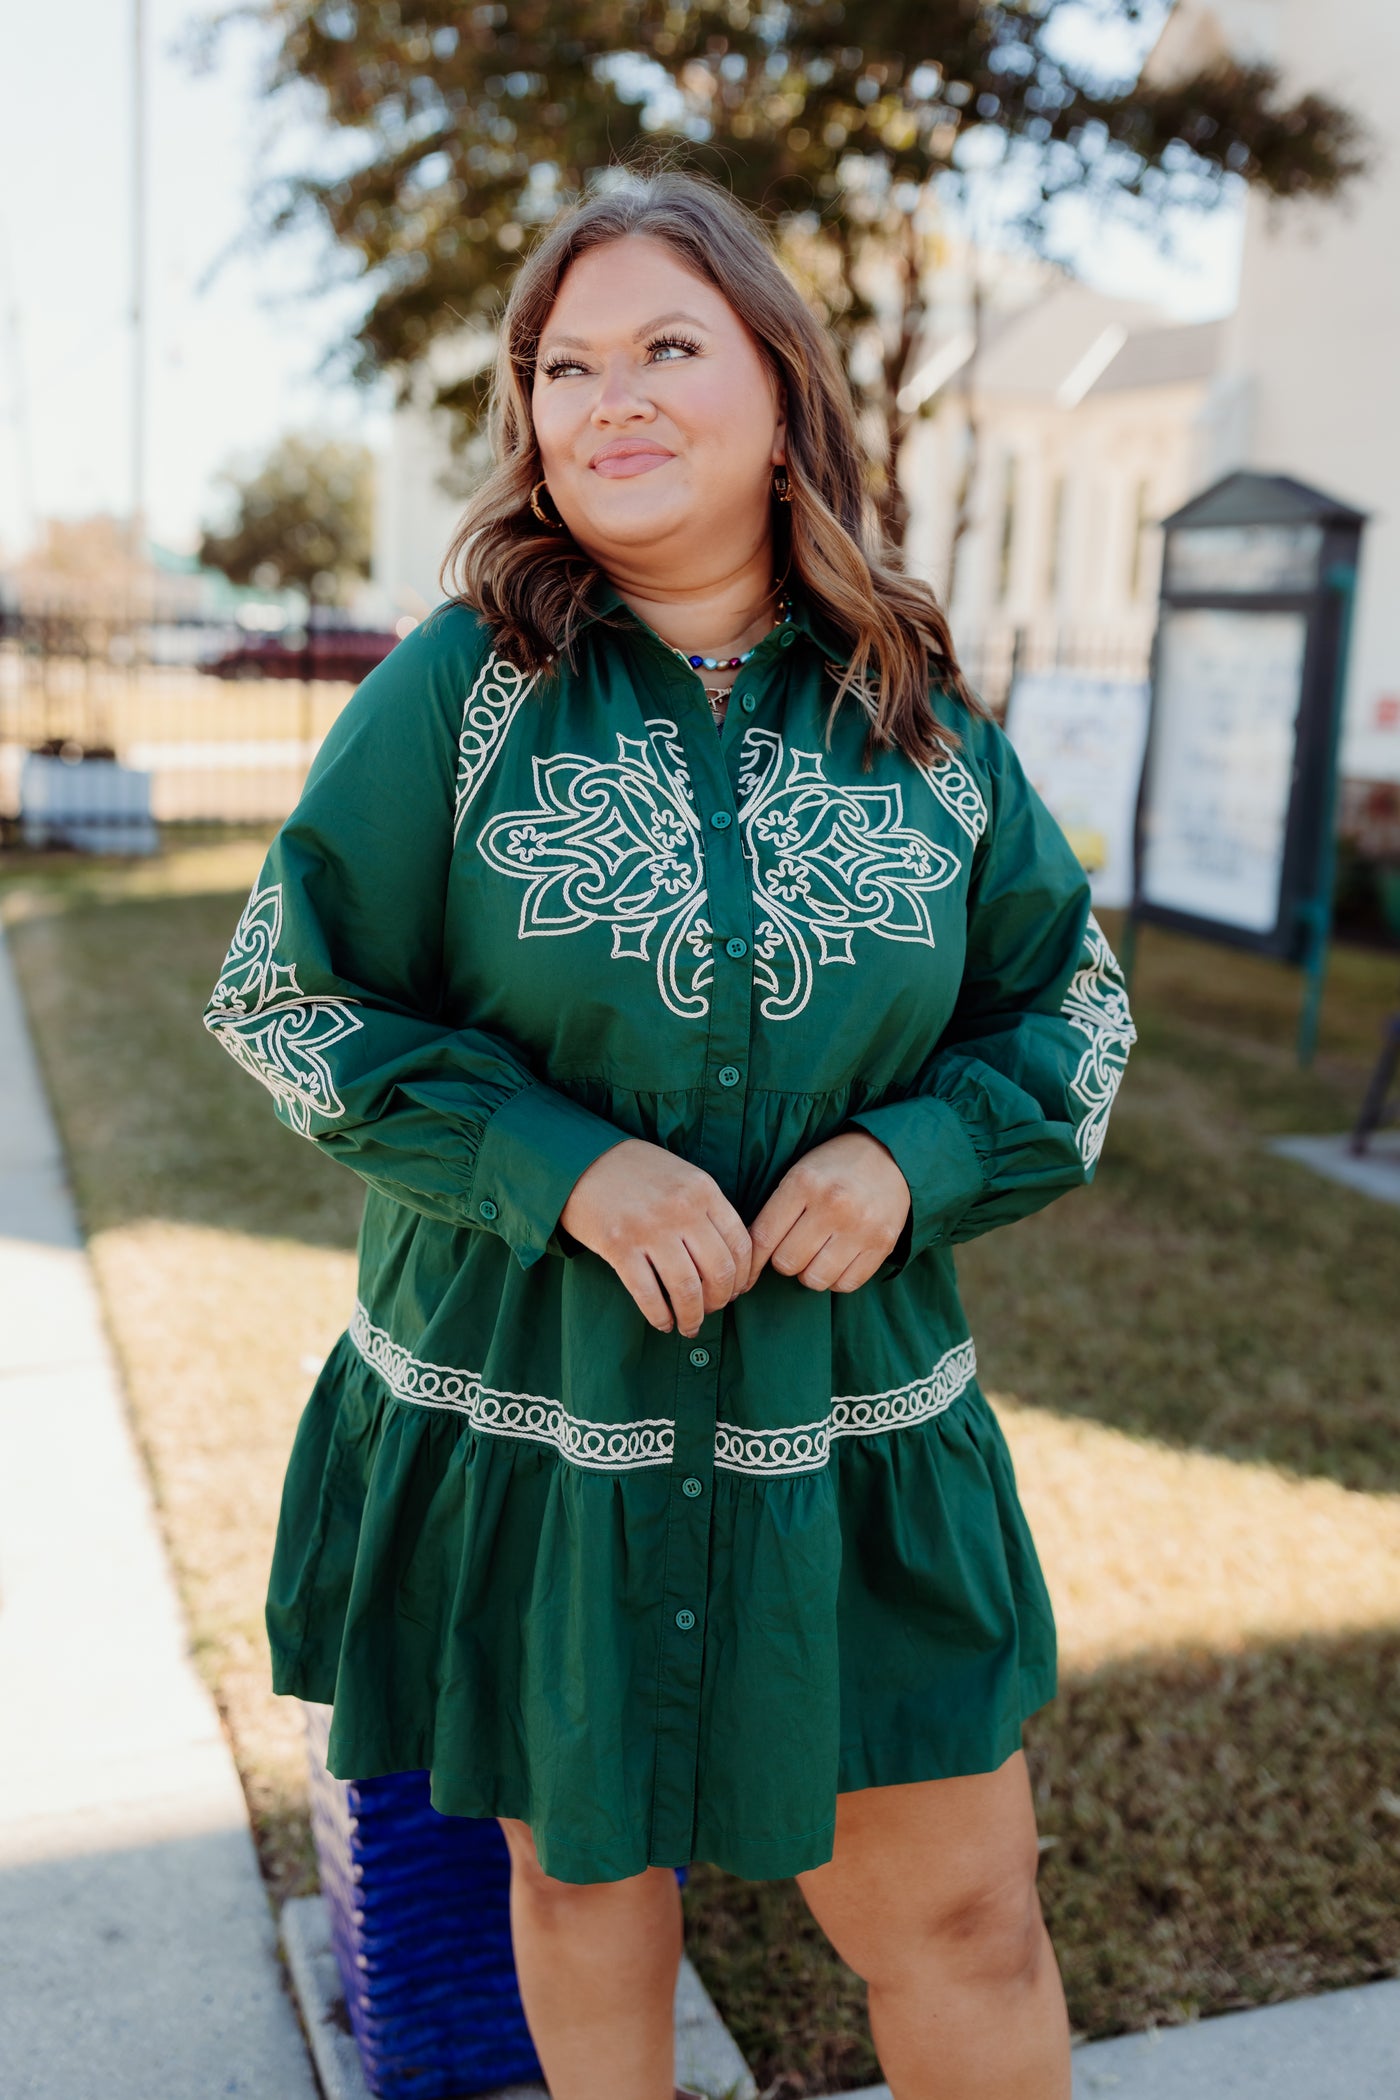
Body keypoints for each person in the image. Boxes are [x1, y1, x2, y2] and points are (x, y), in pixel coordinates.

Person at [203, 169, 1135, 2100]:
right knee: (586, 1888)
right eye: (564, 365)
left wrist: (918, 1158)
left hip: (852, 1431)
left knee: (964, 1916)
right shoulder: (462, 686)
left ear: (781, 388)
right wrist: (559, 1161)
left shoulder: (924, 713)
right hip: (541, 1410)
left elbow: (1076, 1013)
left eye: (664, 348)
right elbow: (287, 998)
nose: (606, 397)